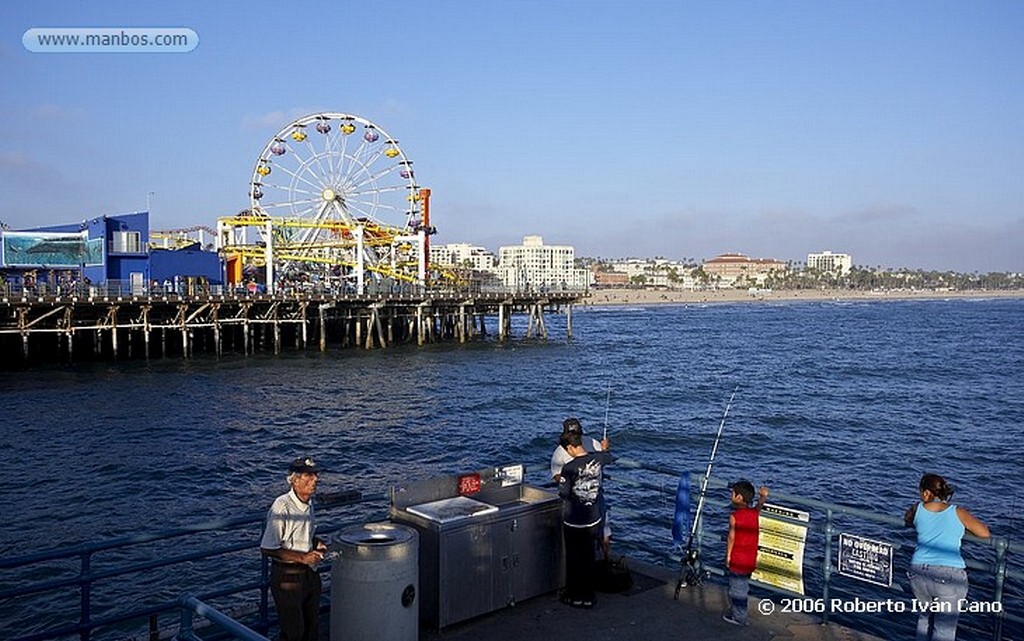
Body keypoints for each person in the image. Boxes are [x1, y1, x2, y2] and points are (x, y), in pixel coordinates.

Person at [904, 473, 990, 641]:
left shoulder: (917, 508)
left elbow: (907, 519)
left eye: (920, 491)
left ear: (927, 493)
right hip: (948, 575)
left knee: (923, 619)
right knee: (944, 630)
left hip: (918, 572)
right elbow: (984, 533)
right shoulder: (957, 511)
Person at [260, 457, 329, 641]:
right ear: (294, 480)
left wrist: (315, 542)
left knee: (312, 624)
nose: (315, 479)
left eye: (316, 475)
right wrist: (303, 558)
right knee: (294, 630)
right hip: (288, 576)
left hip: (309, 573)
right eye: (309, 475)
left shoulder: (308, 503)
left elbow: (301, 535)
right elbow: (268, 548)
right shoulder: (282, 506)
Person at [557, 431, 613, 609]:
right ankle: (589, 596)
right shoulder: (598, 459)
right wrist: (604, 449)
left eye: (567, 449)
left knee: (574, 558)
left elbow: (564, 493)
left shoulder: (569, 468)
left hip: (573, 519)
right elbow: (609, 457)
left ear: (571, 447)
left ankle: (574, 595)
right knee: (588, 557)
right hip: (593, 518)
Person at [550, 417, 612, 560]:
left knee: (604, 535)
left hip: (595, 496)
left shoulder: (592, 443)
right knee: (584, 546)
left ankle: (606, 564)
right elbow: (556, 476)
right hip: (578, 501)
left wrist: (604, 450)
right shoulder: (559, 453)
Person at [723, 479, 769, 626]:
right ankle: (738, 612)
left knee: (737, 591)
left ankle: (739, 618)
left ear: (739, 497)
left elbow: (731, 538)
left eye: (733, 493)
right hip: (750, 559)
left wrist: (728, 556)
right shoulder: (754, 513)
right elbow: (759, 506)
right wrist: (763, 497)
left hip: (738, 560)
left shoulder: (734, 517)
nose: (731, 495)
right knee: (742, 586)